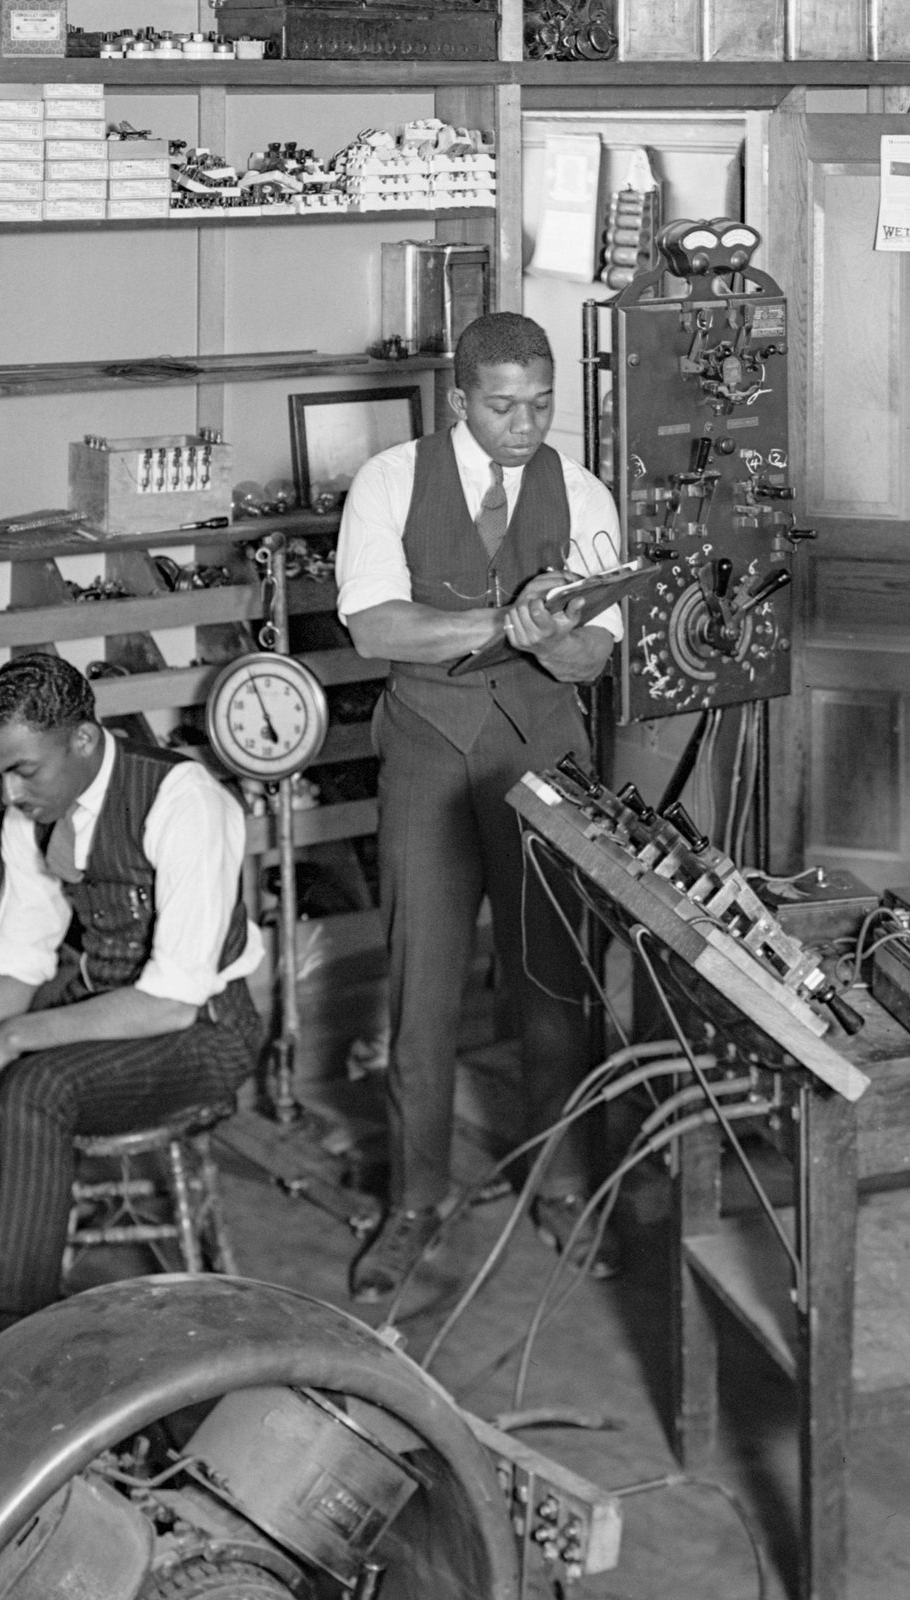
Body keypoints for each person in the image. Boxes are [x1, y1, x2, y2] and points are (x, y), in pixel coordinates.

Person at [334, 311, 623, 1302]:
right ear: (458, 399)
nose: (524, 424)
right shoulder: (388, 482)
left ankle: (563, 1181)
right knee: (423, 982)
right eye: (502, 405)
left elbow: (595, 653)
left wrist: (552, 639)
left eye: (540, 404)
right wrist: (506, 619)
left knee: (554, 974)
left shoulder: (580, 492)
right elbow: (377, 626)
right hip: (428, 743)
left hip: (544, 746)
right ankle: (414, 1200)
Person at [0, 653, 263, 1334]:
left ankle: (17, 1330)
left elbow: (171, 999)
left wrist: (14, 1037)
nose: (10, 797)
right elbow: (17, 965)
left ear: (82, 739)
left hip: (204, 1031)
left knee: (34, 1088)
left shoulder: (183, 799)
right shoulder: (34, 814)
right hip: (102, 1004)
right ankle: (22, 1241)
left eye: (23, 771)